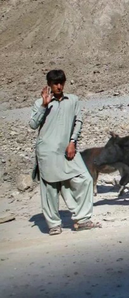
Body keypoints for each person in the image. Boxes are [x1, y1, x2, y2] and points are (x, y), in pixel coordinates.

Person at [29, 70, 101, 235]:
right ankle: (54, 224)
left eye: (61, 82)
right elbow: (33, 125)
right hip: (47, 151)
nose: (59, 86)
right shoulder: (40, 102)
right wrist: (43, 106)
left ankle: (82, 219)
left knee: (85, 179)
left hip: (67, 148)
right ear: (49, 85)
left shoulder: (73, 100)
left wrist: (73, 142)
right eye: (55, 83)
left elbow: (78, 121)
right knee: (50, 188)